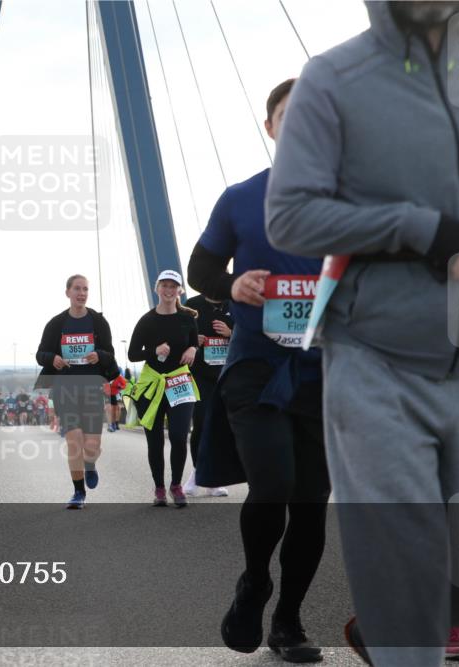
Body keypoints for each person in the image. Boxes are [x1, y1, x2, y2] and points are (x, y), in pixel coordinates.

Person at [266, 3, 459, 664]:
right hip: (375, 359)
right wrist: (417, 228)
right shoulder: (332, 79)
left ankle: (393, 627)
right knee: (407, 580)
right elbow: (289, 217)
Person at [188, 78, 328, 662]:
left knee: (312, 503)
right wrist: (232, 284)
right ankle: (254, 582)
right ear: (270, 127)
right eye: (289, 115)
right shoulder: (240, 198)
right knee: (272, 484)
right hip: (255, 367)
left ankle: (289, 621)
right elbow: (199, 271)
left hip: (323, 373)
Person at [35, 274, 118, 509]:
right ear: (68, 292)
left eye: (85, 289)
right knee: (74, 441)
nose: (82, 293)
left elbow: (110, 354)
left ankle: (90, 464)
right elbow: (41, 354)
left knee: (92, 446)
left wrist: (99, 355)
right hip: (65, 389)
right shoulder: (56, 324)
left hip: (92, 389)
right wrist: (53, 358)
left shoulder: (98, 322)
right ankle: (78, 492)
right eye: (77, 289)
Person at [127, 270, 200, 507]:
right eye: (164, 285)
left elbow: (193, 343)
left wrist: (193, 349)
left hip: (180, 382)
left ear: (180, 290)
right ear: (157, 288)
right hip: (153, 383)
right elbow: (132, 354)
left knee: (179, 436)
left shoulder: (187, 319)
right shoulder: (146, 320)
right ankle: (159, 487)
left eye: (173, 286)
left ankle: (176, 485)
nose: (169, 290)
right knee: (155, 439)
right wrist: (154, 351)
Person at [183, 291, 233, 497]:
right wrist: (192, 340)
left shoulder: (234, 303)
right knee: (202, 423)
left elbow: (252, 334)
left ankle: (215, 479)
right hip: (200, 377)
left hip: (227, 375)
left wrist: (231, 333)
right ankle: (198, 473)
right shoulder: (192, 304)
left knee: (222, 427)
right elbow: (178, 335)